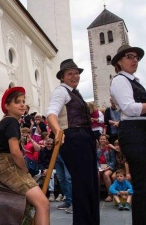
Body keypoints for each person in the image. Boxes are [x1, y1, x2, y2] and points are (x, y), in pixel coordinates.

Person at [110, 44, 146, 225]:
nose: (134, 60)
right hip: (136, 134)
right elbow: (130, 109)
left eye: (136, 58)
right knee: (145, 186)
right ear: (119, 62)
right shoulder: (119, 80)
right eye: (129, 56)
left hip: (145, 134)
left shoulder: (134, 81)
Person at [46, 59, 99, 225]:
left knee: (90, 182)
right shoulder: (61, 91)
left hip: (84, 136)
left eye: (76, 73)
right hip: (74, 137)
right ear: (62, 77)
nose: (74, 76)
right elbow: (51, 114)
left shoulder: (76, 93)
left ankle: (90, 221)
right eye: (70, 73)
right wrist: (57, 132)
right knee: (83, 183)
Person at [0, 87, 50, 225]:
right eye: (17, 102)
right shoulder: (11, 121)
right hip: (10, 168)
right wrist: (24, 170)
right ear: (7, 106)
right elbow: (14, 151)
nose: (22, 104)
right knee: (43, 203)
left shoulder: (6, 122)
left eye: (23, 101)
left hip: (4, 166)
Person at [97, 134, 116, 202]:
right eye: (101, 139)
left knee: (106, 174)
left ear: (106, 140)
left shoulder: (110, 149)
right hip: (100, 166)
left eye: (104, 139)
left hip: (108, 166)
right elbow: (96, 160)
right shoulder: (98, 149)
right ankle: (97, 194)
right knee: (97, 174)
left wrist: (108, 168)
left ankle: (110, 194)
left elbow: (113, 161)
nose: (102, 140)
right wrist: (98, 167)